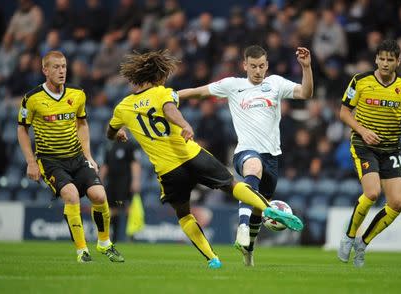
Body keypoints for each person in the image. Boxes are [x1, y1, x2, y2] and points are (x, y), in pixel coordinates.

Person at [106, 50, 303, 269]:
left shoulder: (122, 108)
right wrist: (185, 125)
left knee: (183, 214)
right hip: (192, 155)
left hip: (168, 170)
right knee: (232, 185)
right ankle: (266, 209)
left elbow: (109, 132)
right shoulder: (163, 92)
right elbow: (169, 109)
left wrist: (119, 132)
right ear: (159, 76)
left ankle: (213, 258)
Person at [178, 45, 313, 266]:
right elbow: (199, 91)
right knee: (253, 167)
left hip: (272, 157)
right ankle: (241, 226)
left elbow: (306, 93)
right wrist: (169, 96)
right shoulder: (234, 85)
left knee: (260, 210)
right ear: (245, 66)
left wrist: (306, 68)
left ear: (267, 65)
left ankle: (248, 250)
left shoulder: (276, 84)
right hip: (246, 152)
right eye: (253, 66)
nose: (258, 71)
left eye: (261, 66)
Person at [17, 51, 124, 263]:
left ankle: (104, 244)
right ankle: (82, 251)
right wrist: (31, 162)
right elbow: (22, 129)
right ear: (45, 70)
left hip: (76, 156)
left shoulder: (77, 94)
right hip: (50, 160)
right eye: (56, 67)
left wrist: (89, 156)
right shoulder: (32, 99)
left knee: (99, 195)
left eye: (64, 66)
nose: (61, 71)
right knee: (72, 195)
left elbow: (82, 124)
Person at [337, 40, 401, 267]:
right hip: (363, 144)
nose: (385, 64)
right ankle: (348, 236)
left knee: (398, 202)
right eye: (382, 59)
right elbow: (344, 113)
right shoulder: (360, 80)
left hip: (390, 149)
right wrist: (363, 131)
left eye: (390, 60)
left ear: (398, 61)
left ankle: (362, 243)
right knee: (373, 192)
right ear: (376, 59)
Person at [99, 139, 142, 243]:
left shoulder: (130, 145)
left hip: (125, 182)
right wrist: (99, 180)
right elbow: (105, 165)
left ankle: (131, 235)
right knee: (112, 209)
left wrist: (136, 180)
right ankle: (113, 236)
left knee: (127, 207)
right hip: (112, 182)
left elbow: (135, 163)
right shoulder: (109, 145)